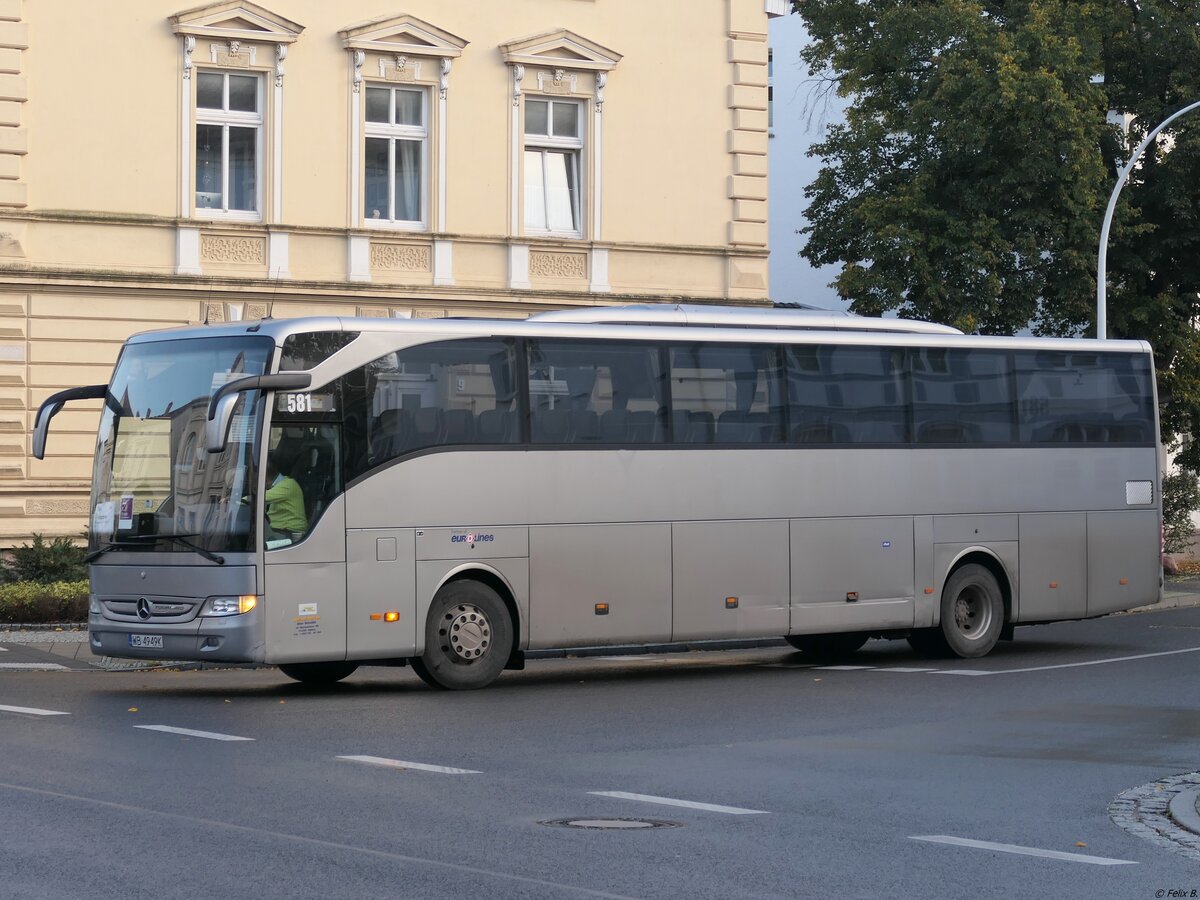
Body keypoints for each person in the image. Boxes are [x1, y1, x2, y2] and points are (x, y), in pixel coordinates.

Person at [263, 451, 307, 541]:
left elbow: (259, 498)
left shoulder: (288, 485)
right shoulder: (278, 486)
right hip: (280, 531)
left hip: (290, 534)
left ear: (266, 476)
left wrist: (235, 500)